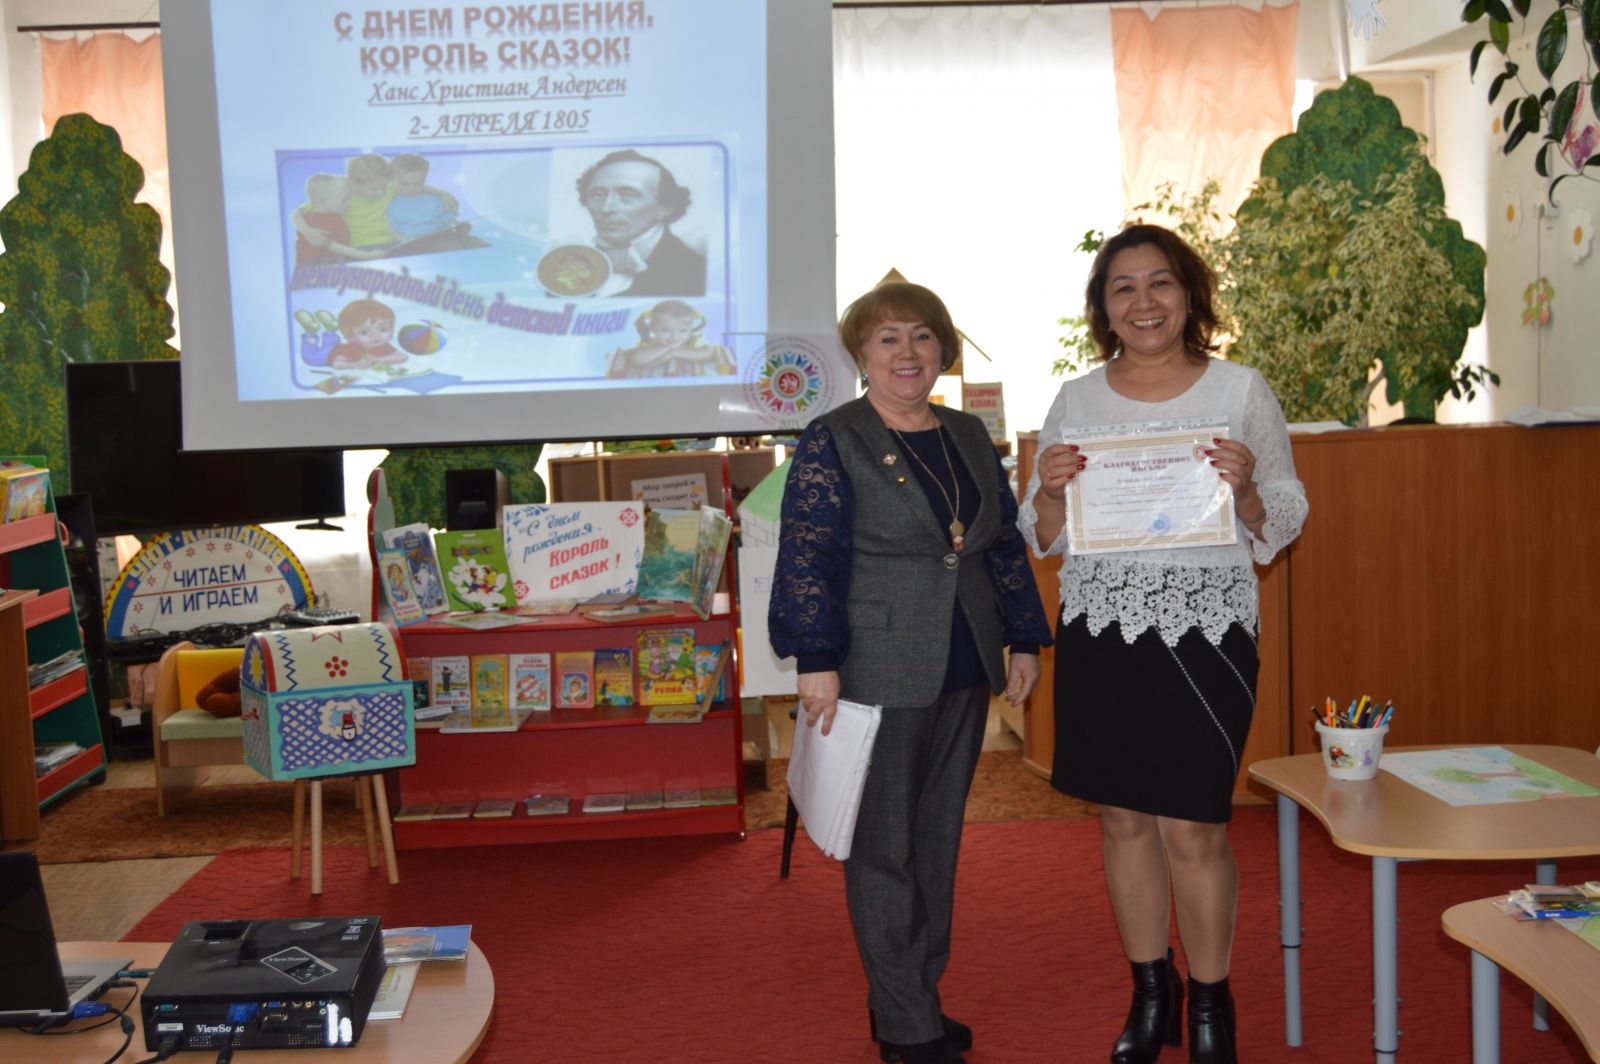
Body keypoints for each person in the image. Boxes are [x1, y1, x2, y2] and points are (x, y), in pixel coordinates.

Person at [1019, 224, 1307, 1064]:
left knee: (1194, 827)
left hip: (1208, 631)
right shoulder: (1077, 399)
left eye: (1160, 283)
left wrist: (1246, 492)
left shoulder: (1241, 389)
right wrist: (1051, 492)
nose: (1143, 302)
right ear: (1103, 308)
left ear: (1189, 294)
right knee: (1122, 821)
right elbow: (1043, 532)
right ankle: (1153, 990)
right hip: (1103, 628)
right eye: (1124, 287)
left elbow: (1285, 514)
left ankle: (1212, 1000)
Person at [769, 281, 1052, 1064]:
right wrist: (816, 659)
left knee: (935, 842)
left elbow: (999, 542)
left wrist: (1024, 638)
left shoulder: (966, 432)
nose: (906, 352)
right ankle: (905, 1022)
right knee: (883, 848)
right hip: (875, 666)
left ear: (943, 350)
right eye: (887, 338)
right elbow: (807, 552)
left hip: (964, 660)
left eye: (922, 336)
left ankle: (911, 995)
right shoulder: (835, 437)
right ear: (861, 355)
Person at [576, 149, 706, 297]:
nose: (606, 208)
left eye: (628, 195)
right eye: (598, 195)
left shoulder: (696, 271)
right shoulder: (571, 262)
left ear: (665, 207)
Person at [606, 300, 734, 378]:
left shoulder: (693, 341)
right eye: (666, 330)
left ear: (690, 329)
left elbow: (708, 352)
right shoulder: (650, 343)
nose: (675, 337)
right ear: (653, 329)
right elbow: (636, 359)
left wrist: (674, 352)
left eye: (683, 331)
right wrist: (666, 348)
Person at [327, 298, 405, 370]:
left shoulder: (383, 347)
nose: (375, 336)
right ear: (351, 336)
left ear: (391, 329)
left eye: (382, 329)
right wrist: (355, 364)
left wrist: (378, 360)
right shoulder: (350, 348)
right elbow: (336, 364)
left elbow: (402, 357)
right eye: (364, 332)